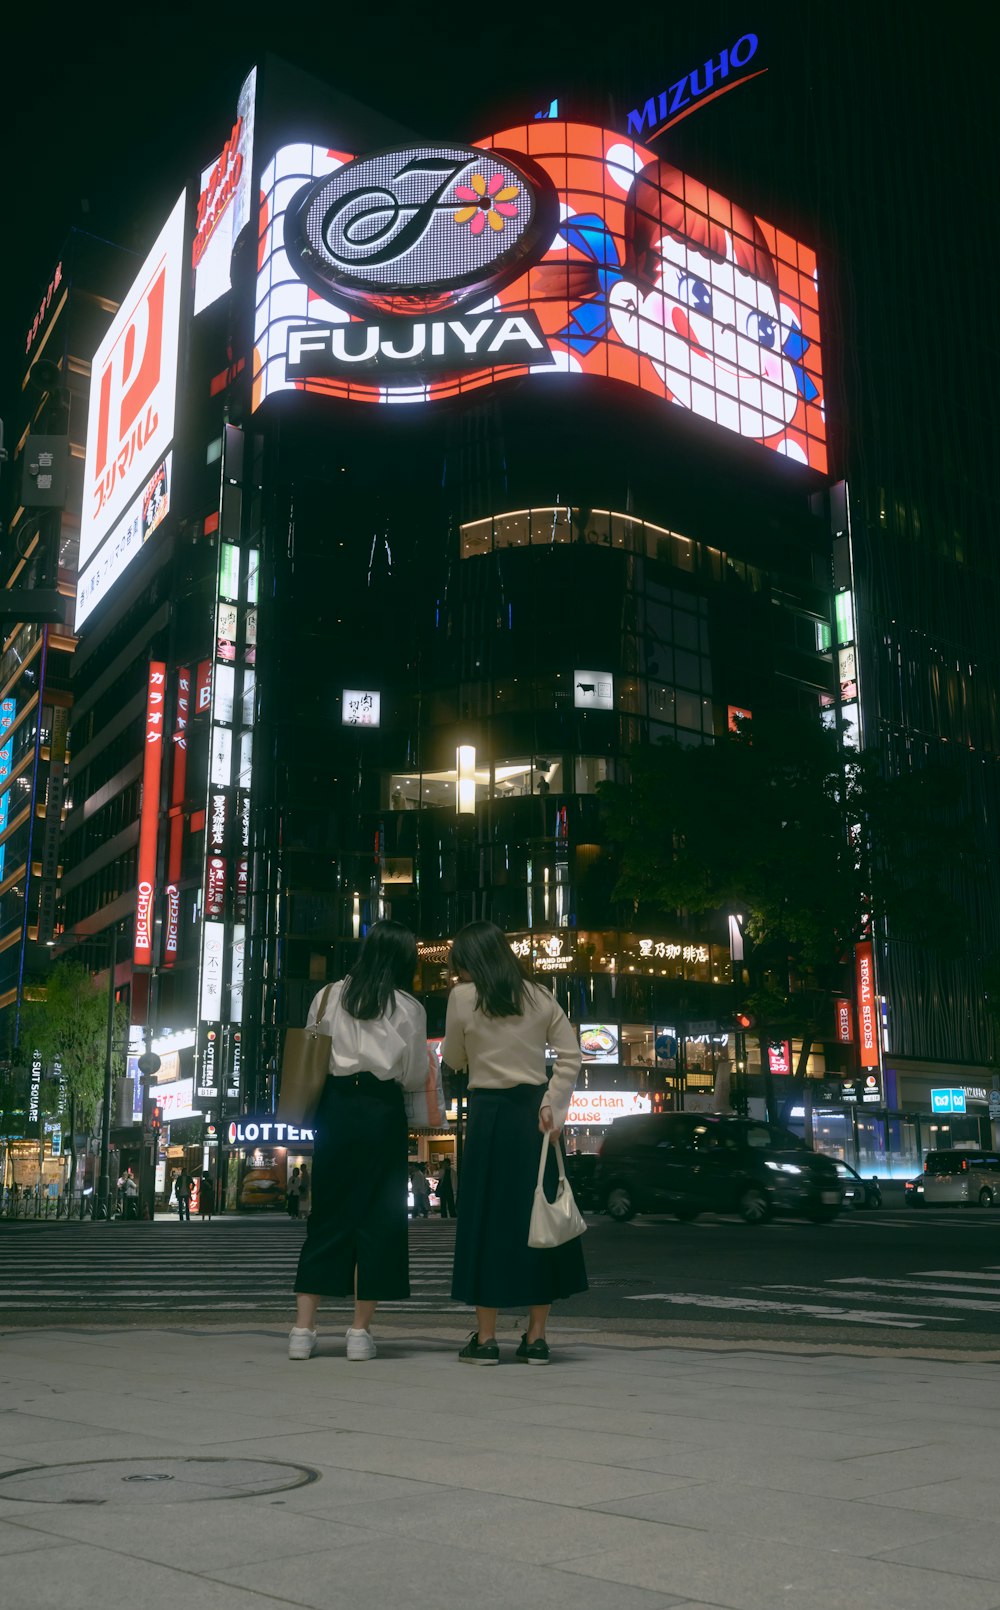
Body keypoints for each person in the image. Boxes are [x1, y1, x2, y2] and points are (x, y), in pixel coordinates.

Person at [442, 920, 587, 1366]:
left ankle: (485, 1340)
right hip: (534, 1119)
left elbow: (453, 1058)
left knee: (487, 1221)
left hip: (488, 1116)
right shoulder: (539, 995)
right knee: (536, 1221)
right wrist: (552, 1105)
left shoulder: (463, 998)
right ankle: (536, 1338)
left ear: (470, 960)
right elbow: (571, 1053)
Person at [289, 919, 428, 1363]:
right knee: (379, 1218)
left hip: (334, 1111)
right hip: (382, 1112)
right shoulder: (408, 1007)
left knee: (327, 1214)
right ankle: (358, 1332)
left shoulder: (328, 995)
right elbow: (413, 1075)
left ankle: (302, 1330)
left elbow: (312, 1052)